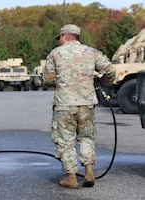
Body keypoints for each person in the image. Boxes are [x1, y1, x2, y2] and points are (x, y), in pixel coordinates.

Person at [43, 24, 115, 189]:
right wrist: (103, 82)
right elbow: (110, 70)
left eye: (60, 37)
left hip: (65, 105)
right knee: (86, 137)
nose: (60, 41)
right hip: (87, 103)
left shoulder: (56, 53)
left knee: (66, 140)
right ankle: (89, 172)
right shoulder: (91, 52)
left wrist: (51, 81)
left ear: (66, 36)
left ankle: (71, 178)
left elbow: (47, 79)